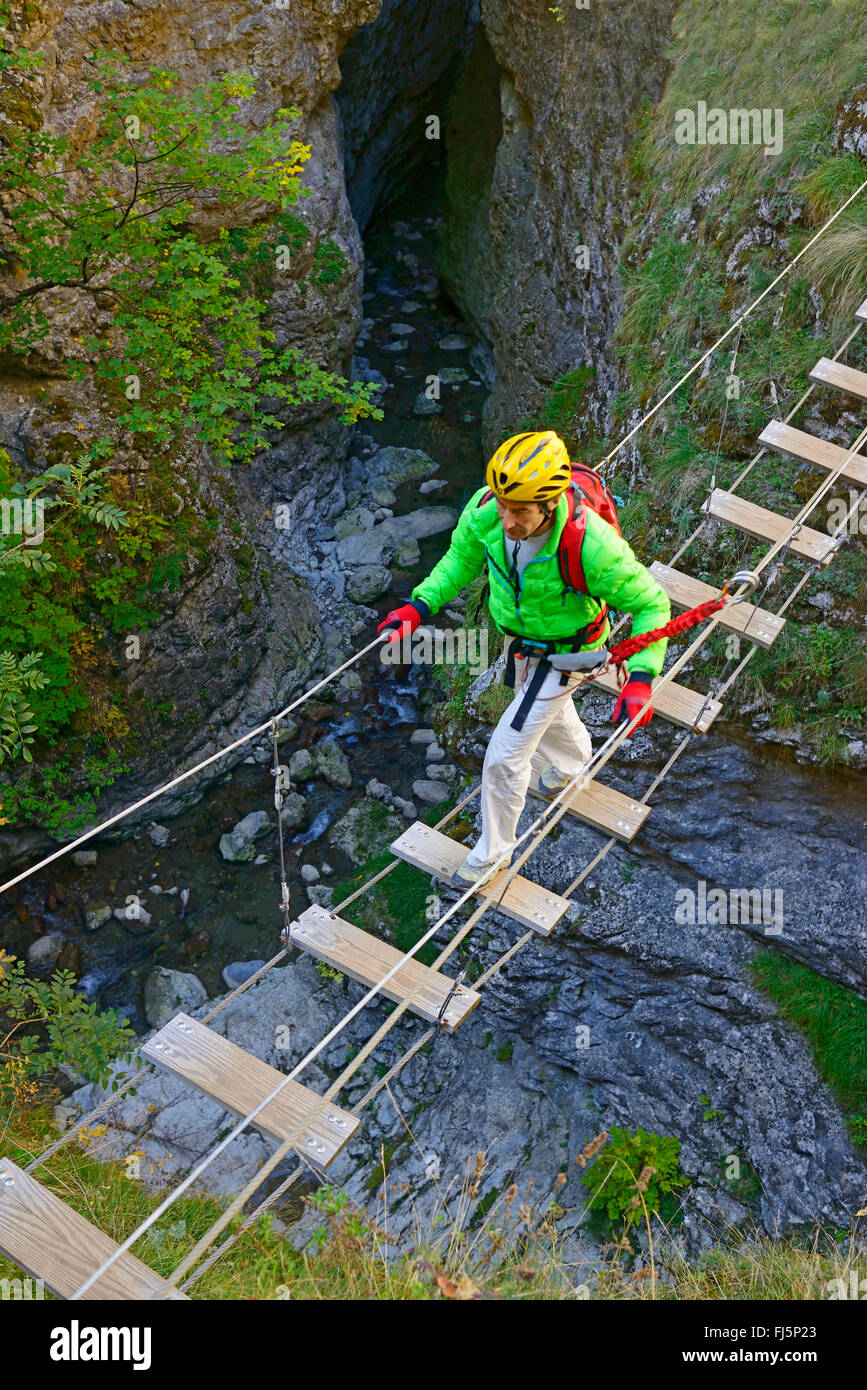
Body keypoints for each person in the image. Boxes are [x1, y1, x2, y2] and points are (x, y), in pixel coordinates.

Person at [377, 430, 670, 886]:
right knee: (545, 713)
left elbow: (651, 602)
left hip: (572, 652)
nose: (507, 519)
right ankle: (574, 767)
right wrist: (419, 606)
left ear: (550, 505)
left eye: (520, 512)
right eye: (502, 504)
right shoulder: (487, 511)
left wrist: (642, 675)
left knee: (506, 752)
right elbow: (459, 562)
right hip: (524, 643)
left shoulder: (590, 545)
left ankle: (493, 854)